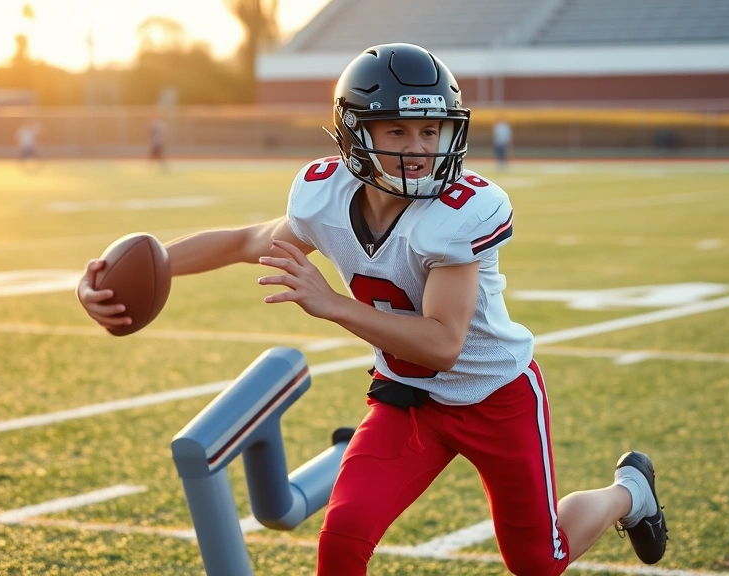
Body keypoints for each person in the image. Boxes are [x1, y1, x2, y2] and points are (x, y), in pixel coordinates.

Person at [76, 43, 667, 575]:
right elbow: (243, 241)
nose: (417, 150)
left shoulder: (461, 212)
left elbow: (442, 344)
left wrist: (332, 304)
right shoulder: (324, 194)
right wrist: (133, 268)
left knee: (537, 561)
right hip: (408, 401)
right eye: (398, 132)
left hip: (495, 396)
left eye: (430, 132)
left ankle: (629, 493)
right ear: (356, 134)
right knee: (342, 541)